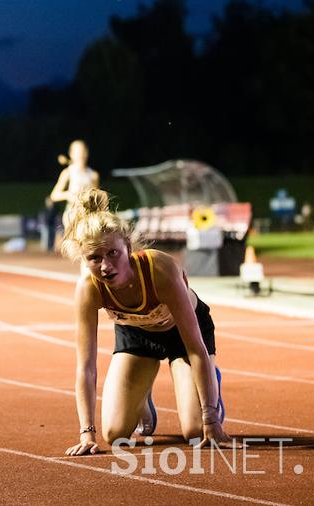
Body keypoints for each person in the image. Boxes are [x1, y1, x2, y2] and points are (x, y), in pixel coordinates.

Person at [62, 187, 230, 457]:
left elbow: (195, 347)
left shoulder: (160, 270)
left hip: (182, 335)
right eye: (94, 258)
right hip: (136, 335)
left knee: (196, 431)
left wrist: (211, 418)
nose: (105, 266)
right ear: (84, 259)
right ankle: (142, 393)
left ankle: (211, 383)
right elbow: (86, 367)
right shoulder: (88, 288)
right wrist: (86, 433)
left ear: (127, 248)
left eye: (112, 253)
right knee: (115, 434)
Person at [47, 140, 100, 251]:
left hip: (88, 216)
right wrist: (68, 194)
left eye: (82, 150)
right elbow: (54, 195)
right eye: (77, 151)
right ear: (71, 154)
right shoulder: (68, 173)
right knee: (76, 247)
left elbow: (97, 198)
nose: (80, 153)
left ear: (87, 153)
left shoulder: (93, 175)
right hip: (72, 214)